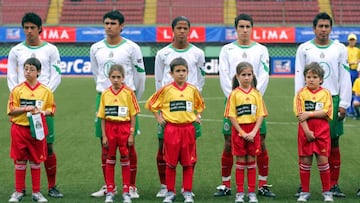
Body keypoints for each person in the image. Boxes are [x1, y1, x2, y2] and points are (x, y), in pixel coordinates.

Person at [216, 13, 275, 198]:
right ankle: (226, 185)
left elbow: (264, 75)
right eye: (241, 27)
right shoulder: (227, 50)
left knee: (261, 143)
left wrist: (255, 96)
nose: (244, 30)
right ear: (236, 29)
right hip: (234, 102)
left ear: (252, 28)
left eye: (247, 27)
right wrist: (234, 96)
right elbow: (224, 74)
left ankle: (262, 184)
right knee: (228, 143)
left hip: (255, 102)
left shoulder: (261, 50)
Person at [294, 12, 352, 198]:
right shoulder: (304, 48)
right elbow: (298, 76)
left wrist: (343, 103)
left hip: (332, 100)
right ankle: (304, 187)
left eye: (327, 26)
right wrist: (299, 103)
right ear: (314, 28)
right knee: (306, 146)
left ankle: (333, 185)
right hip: (308, 101)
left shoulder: (339, 48)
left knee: (333, 142)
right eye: (321, 26)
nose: (324, 29)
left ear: (331, 29)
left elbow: (344, 76)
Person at [7, 12, 63, 198]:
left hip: (42, 104)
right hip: (22, 104)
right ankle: (20, 188)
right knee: (21, 150)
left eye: (33, 27)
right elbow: (11, 76)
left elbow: (56, 73)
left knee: (48, 145)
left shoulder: (51, 49)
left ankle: (51, 186)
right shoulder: (16, 50)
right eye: (26, 28)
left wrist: (44, 94)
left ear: (40, 29)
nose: (29, 31)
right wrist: (20, 95)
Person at [90, 10, 146, 199]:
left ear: (122, 26)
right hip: (104, 98)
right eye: (106, 23)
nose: (109, 26)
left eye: (113, 23)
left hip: (126, 98)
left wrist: (134, 96)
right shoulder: (96, 48)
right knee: (104, 143)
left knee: (129, 144)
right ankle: (109, 185)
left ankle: (131, 186)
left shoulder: (131, 47)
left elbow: (140, 74)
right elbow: (96, 72)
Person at [154, 15, 205, 198]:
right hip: (168, 111)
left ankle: (186, 188)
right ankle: (165, 186)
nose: (182, 31)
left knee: (190, 150)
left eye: (185, 28)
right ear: (172, 30)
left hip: (189, 112)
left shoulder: (197, 53)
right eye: (179, 28)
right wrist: (160, 109)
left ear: (189, 30)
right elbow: (159, 81)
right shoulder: (163, 54)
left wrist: (196, 109)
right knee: (162, 147)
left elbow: (200, 80)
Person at [145, 57, 205, 203]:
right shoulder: (166, 90)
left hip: (188, 129)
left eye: (183, 71)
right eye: (177, 71)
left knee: (188, 162)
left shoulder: (192, 89)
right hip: (172, 130)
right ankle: (170, 192)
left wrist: (197, 115)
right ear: (171, 73)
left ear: (188, 72)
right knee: (170, 163)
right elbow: (151, 104)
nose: (181, 74)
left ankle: (188, 192)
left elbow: (200, 105)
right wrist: (158, 118)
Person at [7, 57, 56, 203]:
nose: (28, 72)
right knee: (20, 161)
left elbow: (51, 109)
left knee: (36, 161)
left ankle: (36, 192)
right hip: (19, 129)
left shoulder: (45, 91)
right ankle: (18, 191)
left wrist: (41, 112)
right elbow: (10, 110)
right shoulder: (17, 89)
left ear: (39, 72)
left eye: (32, 69)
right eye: (26, 69)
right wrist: (25, 109)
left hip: (37, 130)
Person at [224, 62, 267, 203]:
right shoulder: (234, 94)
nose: (246, 77)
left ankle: (251, 192)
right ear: (237, 76)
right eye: (243, 75)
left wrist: (254, 132)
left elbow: (261, 114)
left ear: (253, 75)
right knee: (241, 161)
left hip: (253, 131)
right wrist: (241, 132)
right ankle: (240, 193)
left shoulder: (256, 94)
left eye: (249, 74)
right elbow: (231, 115)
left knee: (251, 161)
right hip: (239, 132)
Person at [97, 64, 140, 203]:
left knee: (125, 158)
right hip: (110, 129)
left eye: (118, 77)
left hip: (124, 128)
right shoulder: (105, 93)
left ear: (123, 77)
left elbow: (133, 115)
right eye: (113, 77)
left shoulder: (128, 93)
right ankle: (110, 191)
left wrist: (131, 133)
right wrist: (104, 135)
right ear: (109, 77)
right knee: (109, 159)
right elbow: (102, 117)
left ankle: (126, 191)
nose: (116, 80)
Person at [294, 62, 334, 202]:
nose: (311, 79)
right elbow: (300, 114)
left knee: (323, 162)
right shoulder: (301, 93)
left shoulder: (326, 93)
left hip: (322, 132)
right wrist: (307, 131)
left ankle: (327, 192)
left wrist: (309, 114)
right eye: (308, 76)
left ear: (321, 79)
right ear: (305, 78)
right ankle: (304, 192)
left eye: (315, 77)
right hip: (305, 132)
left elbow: (327, 112)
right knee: (305, 162)